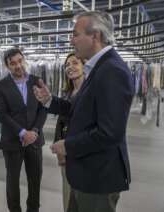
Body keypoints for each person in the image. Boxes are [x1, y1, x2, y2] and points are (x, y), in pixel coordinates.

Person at [34, 11, 134, 212]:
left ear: (95, 36)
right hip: (87, 174)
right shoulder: (99, 69)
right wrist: (49, 101)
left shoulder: (111, 71)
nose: (71, 40)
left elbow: (109, 133)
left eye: (76, 34)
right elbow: (79, 109)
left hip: (98, 178)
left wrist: (68, 145)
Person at [0, 48, 47, 212]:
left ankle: (33, 209)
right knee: (13, 181)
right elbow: (2, 114)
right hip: (12, 141)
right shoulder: (0, 86)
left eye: (20, 61)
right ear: (7, 66)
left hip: (35, 140)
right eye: (13, 63)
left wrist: (35, 131)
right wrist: (23, 133)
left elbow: (43, 108)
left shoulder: (37, 81)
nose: (18, 66)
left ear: (24, 60)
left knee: (35, 180)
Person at [53, 53, 84, 212]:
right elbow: (60, 123)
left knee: (83, 199)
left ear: (85, 66)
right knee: (68, 197)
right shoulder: (67, 93)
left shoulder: (90, 92)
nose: (70, 67)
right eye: (67, 65)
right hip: (66, 154)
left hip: (83, 154)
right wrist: (59, 150)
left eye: (75, 63)